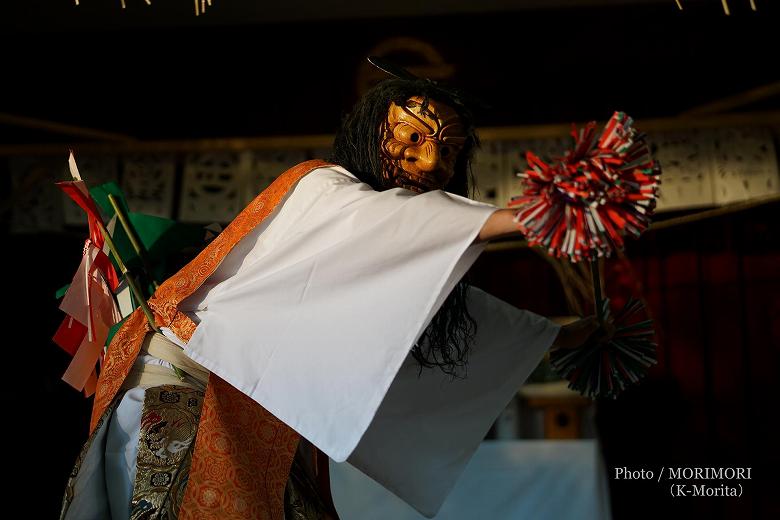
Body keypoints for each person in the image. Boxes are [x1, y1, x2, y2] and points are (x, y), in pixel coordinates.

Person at [60, 76, 598, 520]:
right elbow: (393, 225)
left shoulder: (378, 237)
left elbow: (459, 323)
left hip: (250, 412)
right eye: (412, 138)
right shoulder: (323, 189)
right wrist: (531, 214)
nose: (431, 163)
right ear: (368, 134)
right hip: (185, 398)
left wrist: (567, 333)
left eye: (448, 151)